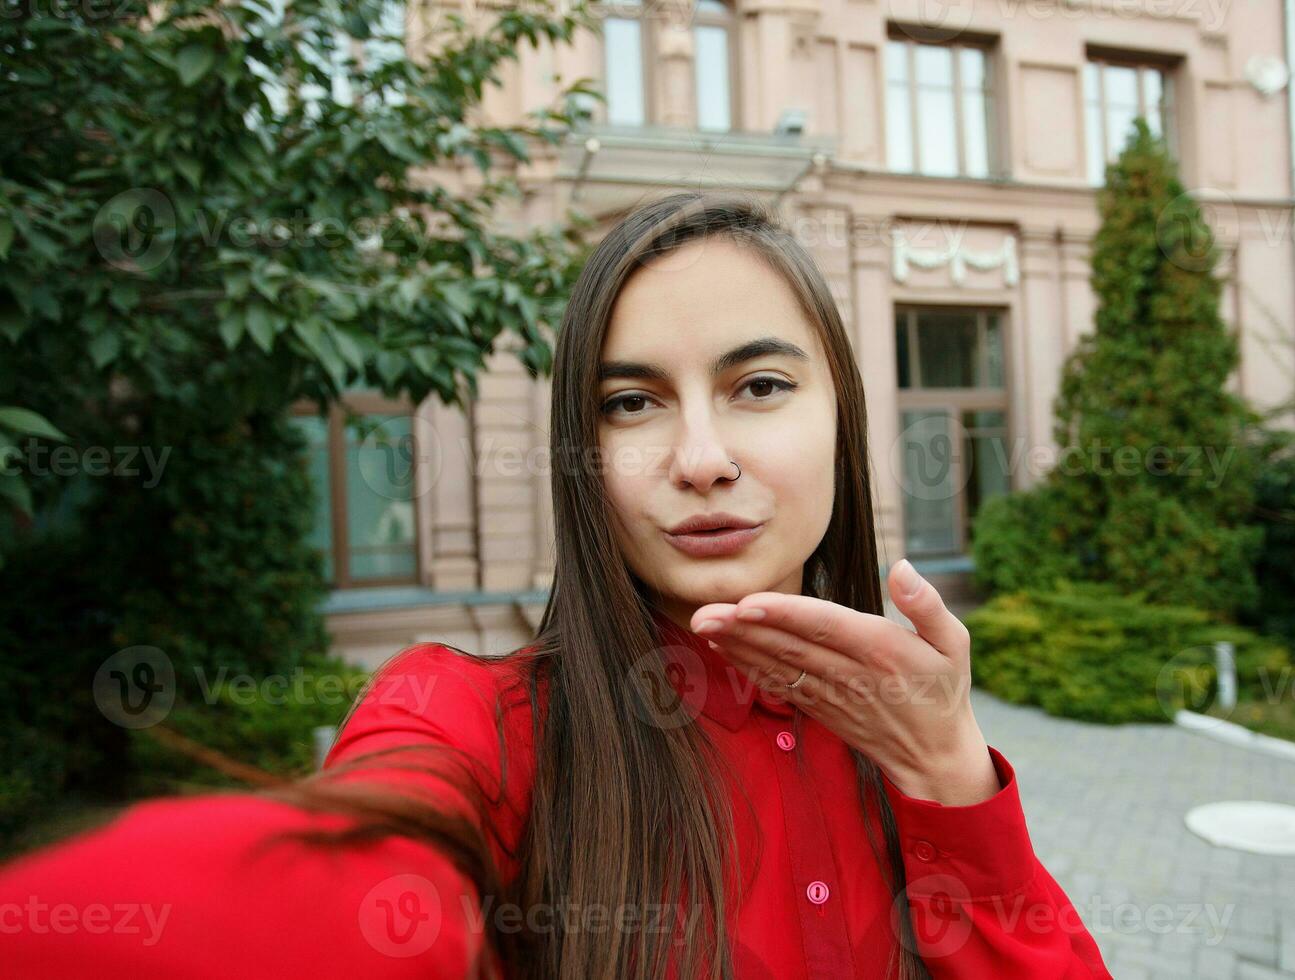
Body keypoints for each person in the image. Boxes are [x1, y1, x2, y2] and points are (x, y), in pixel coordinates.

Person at [0, 192, 1113, 979]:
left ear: (843, 421)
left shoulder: (908, 749)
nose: (701, 456)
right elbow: (354, 870)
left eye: (760, 383)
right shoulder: (481, 721)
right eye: (630, 402)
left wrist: (951, 781)